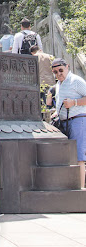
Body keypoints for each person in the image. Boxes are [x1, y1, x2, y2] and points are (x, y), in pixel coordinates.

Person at [51, 58, 86, 186]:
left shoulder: (76, 80)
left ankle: (81, 188)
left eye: (60, 70)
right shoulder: (59, 84)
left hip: (78, 119)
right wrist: (56, 112)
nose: (58, 73)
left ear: (67, 67)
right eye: (55, 72)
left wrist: (74, 102)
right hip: (64, 121)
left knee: (79, 156)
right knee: (68, 155)